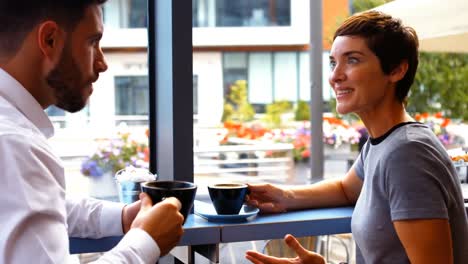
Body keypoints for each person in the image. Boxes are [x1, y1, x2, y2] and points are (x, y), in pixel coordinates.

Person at [245, 10, 468, 264]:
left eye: (352, 60)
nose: (335, 76)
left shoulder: (407, 154)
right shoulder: (384, 143)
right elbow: (346, 189)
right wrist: (284, 196)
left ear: (396, 70)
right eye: (333, 62)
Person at [0, 1, 184, 263]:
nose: (102, 63)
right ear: (50, 39)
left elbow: (30, 204)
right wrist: (145, 242)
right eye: (92, 42)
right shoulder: (14, 144)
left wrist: (123, 217)